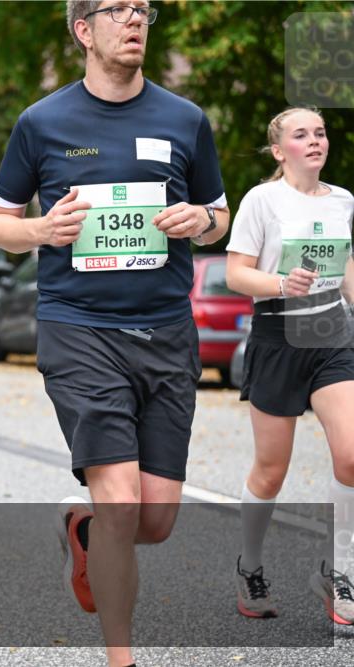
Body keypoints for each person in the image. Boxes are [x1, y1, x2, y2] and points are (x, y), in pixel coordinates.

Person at [0, 2, 230, 665]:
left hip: (167, 331)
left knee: (154, 519)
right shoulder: (42, 123)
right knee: (122, 502)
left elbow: (220, 211)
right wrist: (41, 230)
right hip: (80, 328)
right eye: (117, 9)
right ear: (83, 30)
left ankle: (83, 526)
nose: (135, 19)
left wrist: (198, 221)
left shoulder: (185, 119)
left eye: (142, 9)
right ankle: (122, 658)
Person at [225, 107, 354, 624]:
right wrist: (281, 284)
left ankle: (338, 568)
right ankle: (249, 566)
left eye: (320, 133)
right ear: (280, 151)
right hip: (278, 334)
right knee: (271, 471)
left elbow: (346, 272)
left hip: (331, 333)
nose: (315, 141)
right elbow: (236, 274)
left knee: (350, 455)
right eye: (301, 135)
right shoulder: (262, 199)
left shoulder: (344, 200)